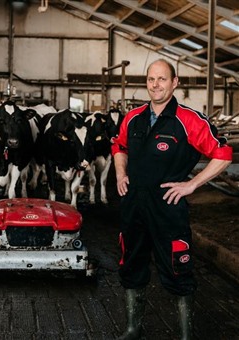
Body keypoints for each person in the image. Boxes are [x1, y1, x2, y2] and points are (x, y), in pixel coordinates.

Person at [111, 58, 233, 340]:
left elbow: (222, 154)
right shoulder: (134, 117)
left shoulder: (188, 120)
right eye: (151, 79)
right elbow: (118, 145)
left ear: (175, 82)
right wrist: (120, 173)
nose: (156, 85)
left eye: (162, 79)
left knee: (179, 269)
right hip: (133, 206)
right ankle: (133, 329)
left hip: (168, 208)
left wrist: (192, 185)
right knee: (131, 265)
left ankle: (185, 336)